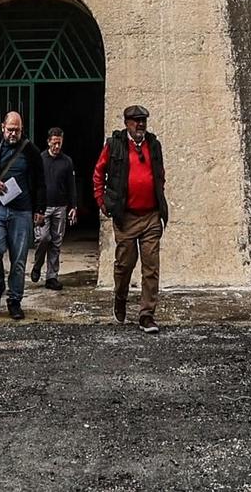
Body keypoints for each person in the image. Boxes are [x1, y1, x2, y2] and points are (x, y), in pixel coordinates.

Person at [92, 103, 168, 333]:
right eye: (136, 120)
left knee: (151, 266)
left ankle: (147, 315)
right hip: (125, 217)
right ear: (126, 123)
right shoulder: (114, 145)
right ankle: (120, 297)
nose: (141, 124)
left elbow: (160, 174)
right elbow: (98, 172)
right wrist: (102, 201)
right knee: (125, 264)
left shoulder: (153, 145)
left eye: (143, 120)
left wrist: (158, 194)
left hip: (151, 215)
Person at [0, 110, 44, 320]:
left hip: (21, 211)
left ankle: (14, 300)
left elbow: (41, 180)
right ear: (2, 127)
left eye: (17, 130)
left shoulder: (30, 150)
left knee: (19, 260)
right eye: (10, 129)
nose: (13, 134)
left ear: (22, 130)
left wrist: (40, 209)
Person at [29, 126, 79, 290]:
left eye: (60, 143)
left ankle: (52, 276)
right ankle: (37, 266)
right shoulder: (40, 159)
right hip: (43, 207)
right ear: (48, 142)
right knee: (43, 238)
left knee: (56, 243)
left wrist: (73, 206)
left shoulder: (67, 161)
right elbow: (34, 184)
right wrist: (35, 207)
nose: (57, 147)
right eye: (54, 143)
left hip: (61, 206)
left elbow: (71, 185)